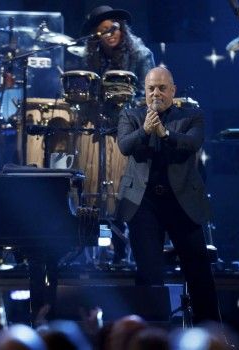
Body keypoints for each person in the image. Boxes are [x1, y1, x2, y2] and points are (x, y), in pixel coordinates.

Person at [116, 66, 221, 323]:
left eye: (162, 88)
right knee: (149, 273)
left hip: (181, 200)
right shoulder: (131, 114)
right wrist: (146, 131)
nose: (156, 94)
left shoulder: (191, 115)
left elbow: (192, 143)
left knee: (198, 271)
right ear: (144, 91)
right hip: (144, 203)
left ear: (173, 90)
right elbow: (125, 145)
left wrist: (164, 133)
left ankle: (211, 333)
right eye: (151, 88)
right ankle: (152, 334)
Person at [80, 5, 155, 265]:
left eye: (112, 28)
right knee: (100, 195)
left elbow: (150, 97)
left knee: (129, 196)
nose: (109, 34)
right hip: (102, 131)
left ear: (121, 28)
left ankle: (131, 252)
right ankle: (105, 249)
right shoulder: (92, 58)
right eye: (102, 32)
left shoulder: (141, 54)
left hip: (131, 130)